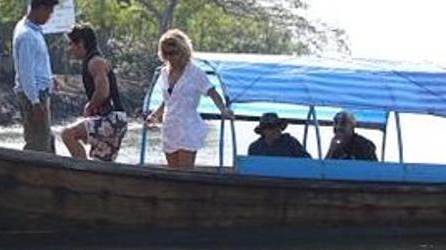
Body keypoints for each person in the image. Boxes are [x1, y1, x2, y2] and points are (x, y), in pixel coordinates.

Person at [145, 29, 233, 168]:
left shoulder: (195, 73)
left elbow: (212, 92)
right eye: (166, 53)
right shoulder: (163, 72)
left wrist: (223, 109)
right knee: (173, 172)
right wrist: (155, 115)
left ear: (183, 51)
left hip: (188, 126)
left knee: (184, 172)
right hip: (170, 126)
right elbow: (169, 100)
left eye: (173, 53)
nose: (170, 57)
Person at [60, 23, 130, 161]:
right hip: (117, 121)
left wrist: (89, 106)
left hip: (112, 119)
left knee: (67, 134)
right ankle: (90, 178)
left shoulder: (95, 62)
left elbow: (103, 92)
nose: (69, 49)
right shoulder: (93, 61)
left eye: (71, 44)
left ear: (80, 43)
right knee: (100, 166)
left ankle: (81, 172)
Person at [12, 0, 60, 152]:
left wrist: (50, 79)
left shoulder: (34, 31)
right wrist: (34, 102)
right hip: (34, 95)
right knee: (38, 144)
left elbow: (37, 64)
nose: (49, 17)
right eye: (49, 12)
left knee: (46, 140)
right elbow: (26, 72)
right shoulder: (26, 35)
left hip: (40, 92)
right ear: (40, 8)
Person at [247, 112, 311, 158]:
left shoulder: (291, 143)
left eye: (278, 126)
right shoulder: (255, 147)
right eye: (270, 127)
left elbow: (307, 162)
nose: (276, 129)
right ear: (263, 131)